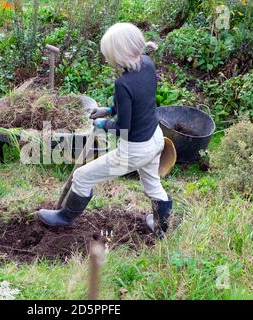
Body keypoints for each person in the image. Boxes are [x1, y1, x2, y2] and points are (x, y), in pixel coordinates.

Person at [37, 23, 172, 237]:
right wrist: (108, 110)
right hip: (155, 138)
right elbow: (138, 101)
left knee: (82, 176)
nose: (108, 59)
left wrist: (103, 124)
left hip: (134, 149)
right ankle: (160, 227)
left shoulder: (123, 83)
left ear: (117, 54)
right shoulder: (147, 64)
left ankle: (64, 218)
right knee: (153, 186)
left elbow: (123, 127)